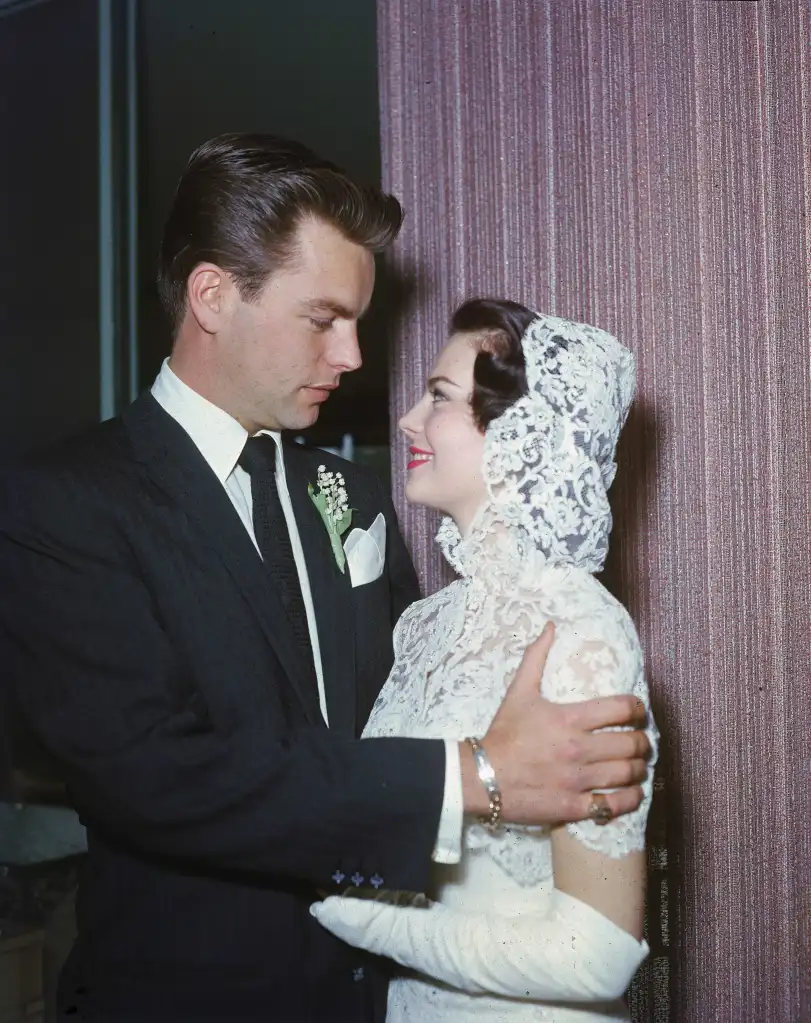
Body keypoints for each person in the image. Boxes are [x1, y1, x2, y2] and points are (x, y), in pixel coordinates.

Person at [0, 136, 651, 1023]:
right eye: (322, 318)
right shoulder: (64, 503)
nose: (351, 355)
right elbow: (157, 776)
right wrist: (480, 774)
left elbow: (398, 711)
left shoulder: (343, 492)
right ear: (212, 295)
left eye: (357, 321)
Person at [313, 299, 658, 1022]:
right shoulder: (420, 623)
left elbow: (594, 953)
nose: (408, 418)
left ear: (519, 432)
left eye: (438, 395)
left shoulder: (581, 629)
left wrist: (360, 919)